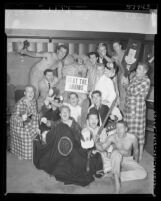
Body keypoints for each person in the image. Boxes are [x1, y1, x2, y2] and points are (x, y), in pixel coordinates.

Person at [33, 105, 102, 186]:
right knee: (60, 128)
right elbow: (51, 124)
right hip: (60, 150)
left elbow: (80, 137)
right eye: (63, 112)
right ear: (60, 115)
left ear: (69, 114)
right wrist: (46, 122)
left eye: (67, 112)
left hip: (73, 149)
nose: (65, 113)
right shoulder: (58, 123)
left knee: (80, 163)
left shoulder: (74, 124)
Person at [95, 120, 147, 194]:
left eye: (121, 127)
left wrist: (136, 162)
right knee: (116, 153)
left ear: (126, 129)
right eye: (117, 128)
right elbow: (102, 148)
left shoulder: (132, 138)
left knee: (143, 173)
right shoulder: (112, 137)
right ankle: (117, 182)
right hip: (115, 159)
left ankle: (116, 175)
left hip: (128, 159)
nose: (118, 130)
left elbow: (136, 151)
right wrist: (96, 142)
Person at [124, 62, 151, 162]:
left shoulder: (146, 80)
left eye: (140, 69)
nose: (137, 71)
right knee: (129, 132)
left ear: (145, 71)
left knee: (139, 134)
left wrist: (127, 85)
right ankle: (129, 155)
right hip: (129, 109)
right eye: (137, 69)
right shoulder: (135, 78)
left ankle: (139, 156)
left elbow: (133, 91)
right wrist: (127, 85)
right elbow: (127, 90)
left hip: (138, 110)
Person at [10, 85, 39, 160]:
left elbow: (35, 114)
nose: (30, 93)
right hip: (18, 124)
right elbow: (14, 117)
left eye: (32, 91)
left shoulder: (34, 101)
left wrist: (36, 127)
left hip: (28, 120)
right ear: (24, 93)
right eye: (28, 91)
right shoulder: (20, 103)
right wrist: (21, 119)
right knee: (26, 138)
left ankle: (27, 152)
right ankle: (19, 152)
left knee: (35, 134)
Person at [111, 41, 127, 113]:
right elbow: (110, 62)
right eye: (114, 46)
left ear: (120, 46)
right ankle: (120, 114)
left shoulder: (125, 53)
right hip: (118, 75)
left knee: (123, 96)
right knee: (119, 95)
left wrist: (117, 61)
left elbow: (126, 69)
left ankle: (123, 115)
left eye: (116, 46)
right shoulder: (115, 54)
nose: (115, 48)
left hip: (125, 76)